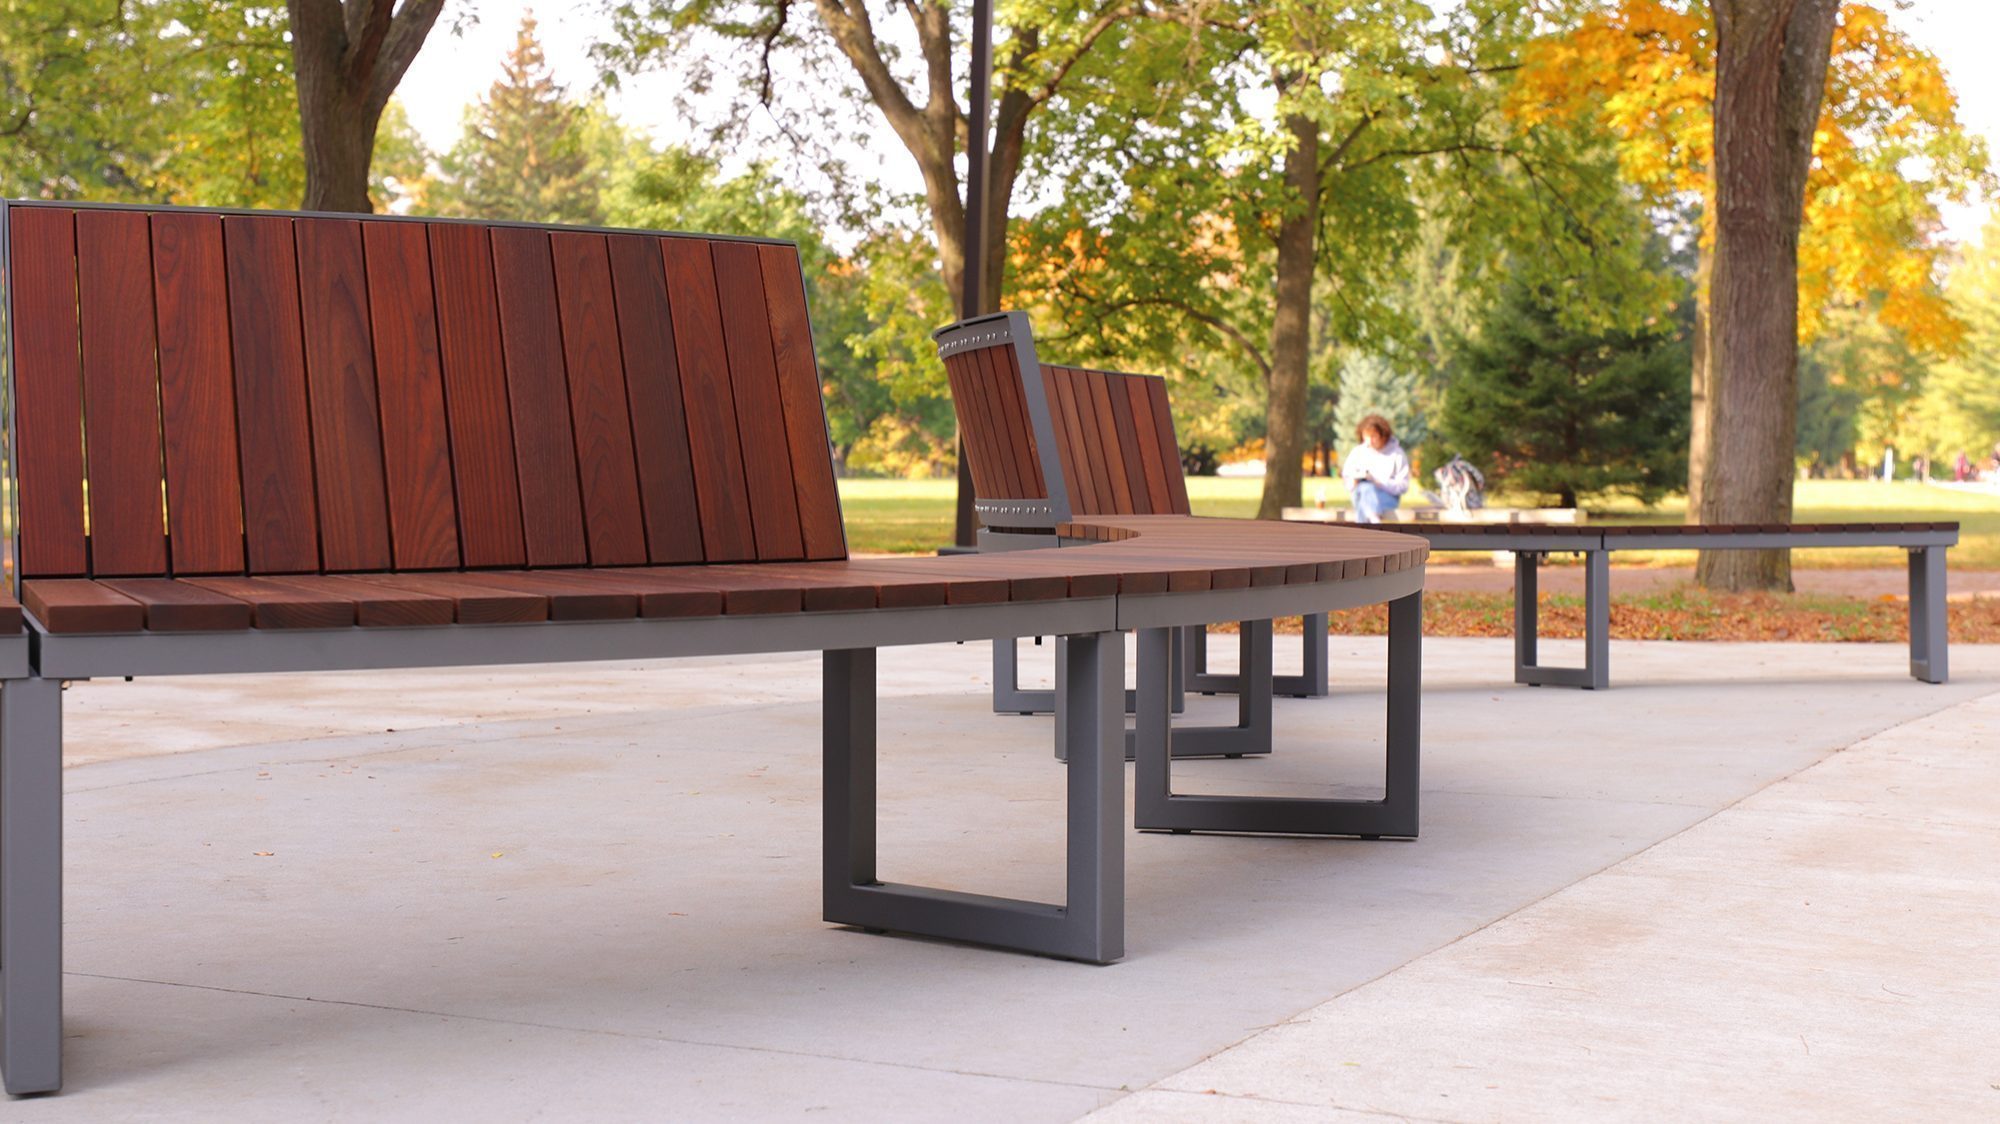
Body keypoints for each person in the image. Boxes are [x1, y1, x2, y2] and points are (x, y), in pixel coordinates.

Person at [1341, 414, 1411, 523]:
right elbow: (1347, 480)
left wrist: (1379, 482)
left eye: (1373, 436)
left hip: (1386, 498)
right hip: (1360, 494)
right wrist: (1354, 481)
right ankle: (1374, 520)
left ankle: (1369, 525)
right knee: (1365, 488)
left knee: (1365, 492)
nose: (1370, 441)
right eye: (1366, 436)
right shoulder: (1358, 452)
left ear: (1383, 436)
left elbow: (1403, 486)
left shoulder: (1397, 454)